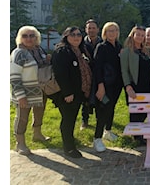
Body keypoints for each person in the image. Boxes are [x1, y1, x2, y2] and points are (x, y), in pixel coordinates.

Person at [52, 26, 93, 158]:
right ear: (66, 36)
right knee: (68, 120)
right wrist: (67, 93)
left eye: (78, 35)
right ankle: (68, 148)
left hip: (78, 92)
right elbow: (61, 74)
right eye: (73, 34)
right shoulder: (62, 51)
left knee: (72, 118)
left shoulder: (80, 50)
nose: (76, 37)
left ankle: (70, 141)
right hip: (67, 94)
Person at [10, 26, 51, 155]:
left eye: (32, 35)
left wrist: (46, 60)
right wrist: (20, 96)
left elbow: (38, 65)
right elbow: (14, 77)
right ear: (20, 38)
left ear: (36, 38)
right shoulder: (19, 53)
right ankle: (20, 143)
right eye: (25, 36)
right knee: (22, 117)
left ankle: (37, 134)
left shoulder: (38, 49)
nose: (29, 38)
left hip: (39, 90)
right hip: (25, 93)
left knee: (39, 112)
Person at [92, 22, 124, 152]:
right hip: (104, 84)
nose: (112, 33)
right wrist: (100, 86)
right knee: (103, 110)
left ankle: (108, 130)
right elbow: (97, 68)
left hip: (116, 84)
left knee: (111, 107)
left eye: (114, 30)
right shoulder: (101, 47)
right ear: (105, 33)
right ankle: (97, 138)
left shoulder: (118, 46)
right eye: (109, 31)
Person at [120, 25, 150, 144]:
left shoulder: (146, 50)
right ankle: (136, 135)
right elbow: (124, 70)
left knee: (145, 110)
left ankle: (139, 131)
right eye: (137, 34)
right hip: (134, 85)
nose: (140, 37)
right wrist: (128, 86)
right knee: (136, 111)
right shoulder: (126, 51)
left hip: (147, 85)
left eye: (142, 35)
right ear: (133, 35)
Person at [80, 19, 102, 130]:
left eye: (94, 28)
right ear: (86, 30)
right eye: (89, 28)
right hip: (86, 75)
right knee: (85, 98)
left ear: (98, 29)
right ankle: (84, 120)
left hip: (99, 74)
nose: (91, 30)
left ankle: (101, 120)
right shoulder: (81, 43)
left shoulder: (102, 42)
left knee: (100, 98)